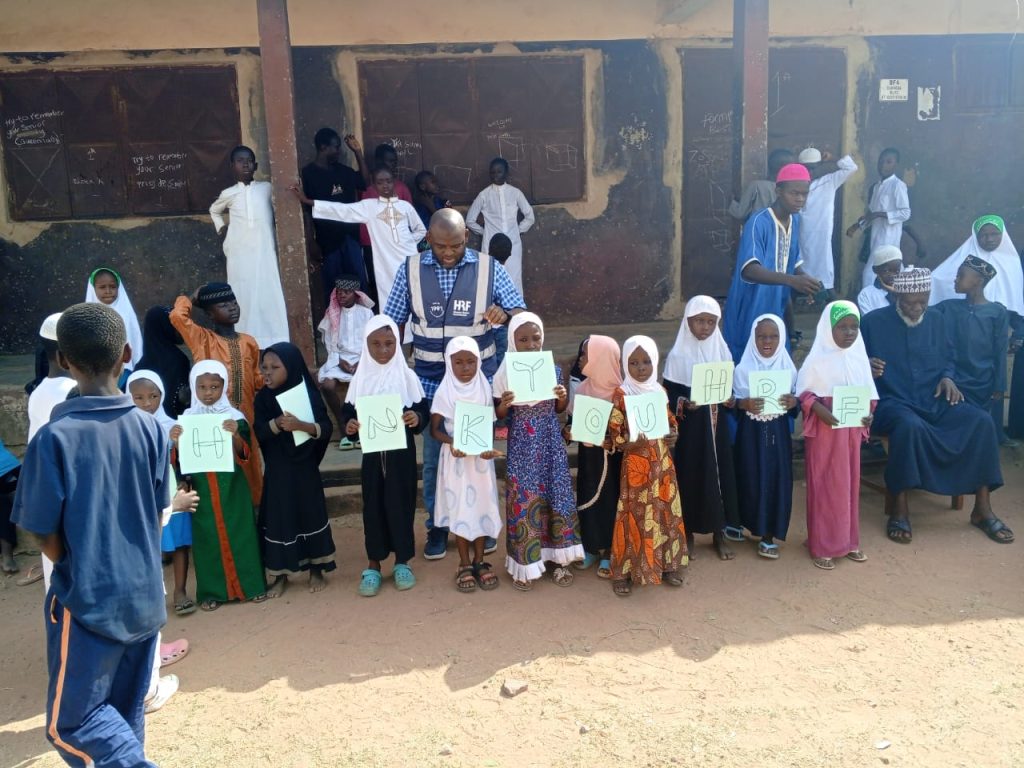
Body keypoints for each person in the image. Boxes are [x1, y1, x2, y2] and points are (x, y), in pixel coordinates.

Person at [12, 303, 168, 766]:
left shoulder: (54, 437)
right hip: (144, 596)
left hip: (88, 601)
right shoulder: (149, 428)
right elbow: (156, 506)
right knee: (121, 715)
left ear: (63, 360)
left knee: (72, 724)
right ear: (126, 354)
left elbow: (43, 533)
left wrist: (70, 566)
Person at [384, 208, 525, 559]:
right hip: (432, 383)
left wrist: (504, 314)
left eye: (457, 246)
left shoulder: (490, 268)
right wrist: (394, 373)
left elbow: (521, 314)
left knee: (479, 460)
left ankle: (480, 527)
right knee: (436, 461)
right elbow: (391, 325)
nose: (449, 253)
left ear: (467, 239)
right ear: (427, 239)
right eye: (442, 246)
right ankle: (439, 527)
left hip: (478, 385)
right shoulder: (410, 269)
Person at [861, 268, 1012, 545]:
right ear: (896, 296)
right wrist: (865, 367)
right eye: (909, 302)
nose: (917, 309)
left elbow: (950, 357)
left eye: (923, 302)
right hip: (892, 402)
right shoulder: (871, 323)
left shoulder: (938, 320)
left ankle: (982, 508)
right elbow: (848, 362)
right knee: (908, 425)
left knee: (980, 421)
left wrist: (947, 377)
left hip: (933, 398)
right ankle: (900, 508)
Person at [493, 312, 583, 590]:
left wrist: (562, 397)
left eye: (536, 338)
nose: (531, 344)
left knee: (556, 495)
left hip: (549, 443)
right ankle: (526, 566)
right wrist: (505, 404)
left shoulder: (552, 369)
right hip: (522, 444)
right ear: (512, 341)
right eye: (523, 339)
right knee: (524, 498)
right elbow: (499, 416)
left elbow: (558, 409)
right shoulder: (505, 372)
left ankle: (560, 560)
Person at [341, 316, 429, 597]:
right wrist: (351, 428)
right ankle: (373, 564)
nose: (383, 350)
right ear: (366, 345)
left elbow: (422, 411)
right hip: (371, 459)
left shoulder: (407, 377)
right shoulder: (360, 380)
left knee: (401, 503)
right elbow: (348, 417)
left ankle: (402, 562)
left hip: (401, 456)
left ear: (398, 344)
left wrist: (416, 417)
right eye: (375, 344)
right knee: (373, 506)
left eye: (390, 344)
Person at [172, 361, 266, 610]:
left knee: (242, 535)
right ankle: (211, 592)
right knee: (206, 540)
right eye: (202, 387)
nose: (208, 392)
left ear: (224, 387)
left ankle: (253, 586)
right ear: (194, 387)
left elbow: (245, 454)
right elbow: (180, 460)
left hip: (232, 488)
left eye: (214, 386)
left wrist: (235, 434)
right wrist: (177, 441)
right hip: (201, 490)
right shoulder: (188, 420)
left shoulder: (235, 418)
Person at [796, 301, 876, 570]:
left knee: (848, 485)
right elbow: (804, 394)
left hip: (849, 435)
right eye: (842, 327)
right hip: (825, 434)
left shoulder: (858, 358)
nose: (849, 332)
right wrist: (819, 409)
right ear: (828, 329)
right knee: (825, 485)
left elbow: (869, 397)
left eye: (854, 327)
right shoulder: (816, 360)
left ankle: (849, 542)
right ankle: (822, 545)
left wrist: (868, 416)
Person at [255, 343, 337, 597]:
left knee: (309, 513)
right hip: (278, 470)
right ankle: (280, 573)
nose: (267, 373)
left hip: (304, 468)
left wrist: (301, 425)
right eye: (264, 367)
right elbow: (259, 433)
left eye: (274, 367)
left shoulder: (308, 396)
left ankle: (316, 568)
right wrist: (278, 424)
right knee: (280, 518)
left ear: (290, 368)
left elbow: (325, 428)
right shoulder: (263, 399)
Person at [663, 296, 742, 560]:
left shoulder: (722, 351)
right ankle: (689, 534)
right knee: (692, 477)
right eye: (699, 321)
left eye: (710, 322)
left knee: (720, 476)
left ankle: (719, 533)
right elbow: (670, 395)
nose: (705, 327)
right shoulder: (677, 355)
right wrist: (685, 403)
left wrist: (730, 400)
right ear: (688, 322)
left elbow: (729, 391)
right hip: (692, 434)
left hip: (718, 430)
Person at [607, 335, 687, 596]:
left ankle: (669, 563)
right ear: (625, 365)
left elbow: (670, 422)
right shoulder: (621, 395)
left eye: (646, 362)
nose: (641, 368)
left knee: (665, 511)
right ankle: (625, 570)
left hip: (662, 465)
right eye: (633, 363)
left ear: (655, 363)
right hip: (635, 467)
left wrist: (673, 434)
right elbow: (613, 433)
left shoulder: (659, 392)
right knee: (633, 514)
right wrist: (626, 444)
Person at [170, 282, 263, 504]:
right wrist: (192, 298)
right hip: (211, 424)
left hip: (245, 419)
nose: (232, 307)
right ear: (210, 314)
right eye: (223, 304)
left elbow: (257, 379)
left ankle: (254, 516)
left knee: (250, 466)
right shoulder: (202, 339)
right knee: (220, 475)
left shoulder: (249, 342)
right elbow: (177, 317)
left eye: (233, 302)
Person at [722, 164, 822, 361]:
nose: (800, 199)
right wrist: (792, 281)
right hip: (751, 300)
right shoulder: (758, 222)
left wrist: (805, 281)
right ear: (778, 191)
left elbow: (791, 261)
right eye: (794, 193)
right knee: (747, 352)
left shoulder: (796, 220)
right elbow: (750, 269)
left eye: (804, 194)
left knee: (774, 354)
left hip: (777, 301)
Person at [293, 166, 425, 313]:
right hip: (385, 261)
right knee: (389, 296)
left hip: (408, 257)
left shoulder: (405, 207)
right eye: (380, 182)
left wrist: (406, 242)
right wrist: (308, 201)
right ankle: (394, 333)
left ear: (393, 182)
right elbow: (340, 210)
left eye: (388, 181)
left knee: (413, 293)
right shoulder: (369, 207)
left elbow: (421, 230)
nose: (385, 185)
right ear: (374, 185)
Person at [430, 336, 504, 593]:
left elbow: (489, 425)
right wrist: (451, 442)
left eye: (471, 362)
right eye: (458, 362)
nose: (465, 368)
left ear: (478, 362)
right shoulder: (445, 391)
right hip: (457, 461)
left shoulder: (484, 387)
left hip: (480, 463)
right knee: (461, 509)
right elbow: (434, 430)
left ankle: (480, 560)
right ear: (449, 363)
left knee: (482, 505)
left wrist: (487, 447)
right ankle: (463, 563)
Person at [126, 369, 196, 616]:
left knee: (178, 544)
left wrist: (184, 479)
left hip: (172, 492)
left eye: (154, 396)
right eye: (139, 398)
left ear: (162, 395)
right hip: (142, 494)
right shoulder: (125, 429)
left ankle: (180, 591)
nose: (148, 403)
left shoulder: (172, 425)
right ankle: (152, 596)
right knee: (148, 545)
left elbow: (184, 460)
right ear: (128, 397)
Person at [209, 145, 290, 349]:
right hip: (239, 251)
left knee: (267, 290)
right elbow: (214, 210)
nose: (245, 164)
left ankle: (274, 338)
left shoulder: (267, 188)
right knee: (242, 291)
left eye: (249, 160)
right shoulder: (229, 193)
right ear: (232, 166)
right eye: (240, 160)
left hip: (264, 250)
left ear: (256, 165)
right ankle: (245, 338)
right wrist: (222, 229)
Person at [732, 314, 798, 559]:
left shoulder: (788, 369)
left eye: (773, 336)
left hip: (778, 436)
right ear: (754, 338)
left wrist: (794, 402)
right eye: (761, 337)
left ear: (781, 339)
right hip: (750, 436)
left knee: (776, 478)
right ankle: (742, 522)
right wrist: (743, 404)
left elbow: (795, 403)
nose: (767, 341)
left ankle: (768, 533)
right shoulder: (743, 369)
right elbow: (734, 403)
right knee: (749, 475)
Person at [24, 313, 76, 589]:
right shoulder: (72, 392)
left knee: (57, 575)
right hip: (71, 494)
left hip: (50, 492)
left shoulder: (39, 390)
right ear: (66, 354)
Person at [569, 335, 623, 579]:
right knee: (588, 498)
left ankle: (609, 551)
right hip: (589, 460)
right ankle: (591, 546)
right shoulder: (582, 389)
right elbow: (571, 425)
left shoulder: (621, 395)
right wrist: (567, 431)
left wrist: (612, 440)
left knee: (612, 501)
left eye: (585, 356)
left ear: (601, 360)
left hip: (613, 463)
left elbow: (627, 431)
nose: (580, 360)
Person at [937, 255, 1009, 436]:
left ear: (978, 280)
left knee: (977, 427)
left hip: (982, 382)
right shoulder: (947, 307)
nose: (956, 279)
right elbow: (918, 311)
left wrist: (999, 385)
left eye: (961, 275)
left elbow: (1000, 350)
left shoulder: (997, 312)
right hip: (954, 380)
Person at [300, 128, 368, 301]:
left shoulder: (343, 171)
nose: (339, 151)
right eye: (336, 147)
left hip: (350, 237)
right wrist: (311, 242)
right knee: (333, 291)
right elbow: (307, 212)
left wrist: (358, 152)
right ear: (323, 147)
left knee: (359, 287)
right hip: (327, 242)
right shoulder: (308, 174)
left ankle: (363, 325)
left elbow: (365, 183)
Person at [317, 275, 375, 449]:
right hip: (338, 359)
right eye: (339, 292)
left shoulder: (367, 313)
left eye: (347, 292)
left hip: (363, 359)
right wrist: (340, 361)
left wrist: (361, 362)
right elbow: (330, 344)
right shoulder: (332, 314)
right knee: (327, 385)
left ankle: (360, 428)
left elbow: (371, 342)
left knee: (366, 384)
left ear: (356, 294)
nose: (342, 296)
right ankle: (343, 427)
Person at [929, 215, 1023, 317]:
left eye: (995, 234)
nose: (990, 239)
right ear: (975, 236)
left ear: (1003, 234)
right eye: (983, 235)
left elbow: (1015, 294)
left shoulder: (1012, 261)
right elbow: (939, 278)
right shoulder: (964, 259)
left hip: (1006, 321)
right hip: (967, 317)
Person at [466, 157, 535, 296]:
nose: (495, 175)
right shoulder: (484, 195)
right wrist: (485, 233)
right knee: (490, 279)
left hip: (513, 245)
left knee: (514, 278)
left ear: (506, 173)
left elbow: (530, 217)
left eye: (499, 172)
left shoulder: (515, 193)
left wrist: (517, 231)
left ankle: (516, 315)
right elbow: (469, 220)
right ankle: (492, 315)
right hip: (490, 246)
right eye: (492, 173)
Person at [846, 148, 911, 289]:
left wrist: (880, 214)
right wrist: (857, 226)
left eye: (888, 162)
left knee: (870, 275)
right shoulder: (876, 187)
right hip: (876, 239)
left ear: (896, 165)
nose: (883, 165)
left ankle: (867, 308)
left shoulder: (898, 186)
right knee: (894, 276)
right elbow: (871, 215)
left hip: (889, 240)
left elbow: (905, 213)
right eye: (881, 162)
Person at [358, 145, 415, 304]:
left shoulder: (401, 188)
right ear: (378, 161)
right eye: (389, 161)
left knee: (398, 278)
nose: (393, 165)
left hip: (395, 244)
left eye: (395, 161)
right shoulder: (366, 187)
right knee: (376, 280)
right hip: (371, 243)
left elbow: (409, 218)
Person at [797, 148, 858, 292]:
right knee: (800, 266)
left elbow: (851, 167)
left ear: (820, 166)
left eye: (813, 168)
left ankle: (827, 297)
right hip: (799, 234)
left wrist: (832, 157)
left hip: (821, 235)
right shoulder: (795, 185)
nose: (810, 172)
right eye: (806, 168)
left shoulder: (828, 182)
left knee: (823, 271)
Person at [84, 267, 143, 370]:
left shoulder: (127, 312)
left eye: (113, 286)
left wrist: (139, 367)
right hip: (98, 373)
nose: (108, 291)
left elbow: (135, 341)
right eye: (102, 287)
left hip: (126, 370)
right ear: (93, 289)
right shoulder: (87, 317)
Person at [137, 306, 191, 419]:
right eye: (173, 324)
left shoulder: (140, 366)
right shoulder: (179, 360)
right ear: (164, 327)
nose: (180, 328)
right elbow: (182, 402)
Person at [728, 148, 795, 223]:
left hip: (758, 230)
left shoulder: (756, 186)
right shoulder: (791, 189)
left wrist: (733, 200)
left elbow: (740, 213)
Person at [487, 233, 514, 370]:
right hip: (501, 329)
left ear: (488, 250)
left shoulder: (482, 272)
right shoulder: (505, 276)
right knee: (502, 367)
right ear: (509, 254)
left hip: (485, 329)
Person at [857, 245, 902, 316]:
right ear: (875, 270)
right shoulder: (866, 294)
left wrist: (897, 294)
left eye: (897, 271)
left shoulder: (904, 292)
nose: (893, 275)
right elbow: (869, 321)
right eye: (887, 271)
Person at [0, 438, 20, 575]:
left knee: (3, 502)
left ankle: (7, 556)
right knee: (2, 502)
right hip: (10, 471)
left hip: (7, 470)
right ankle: (7, 556)